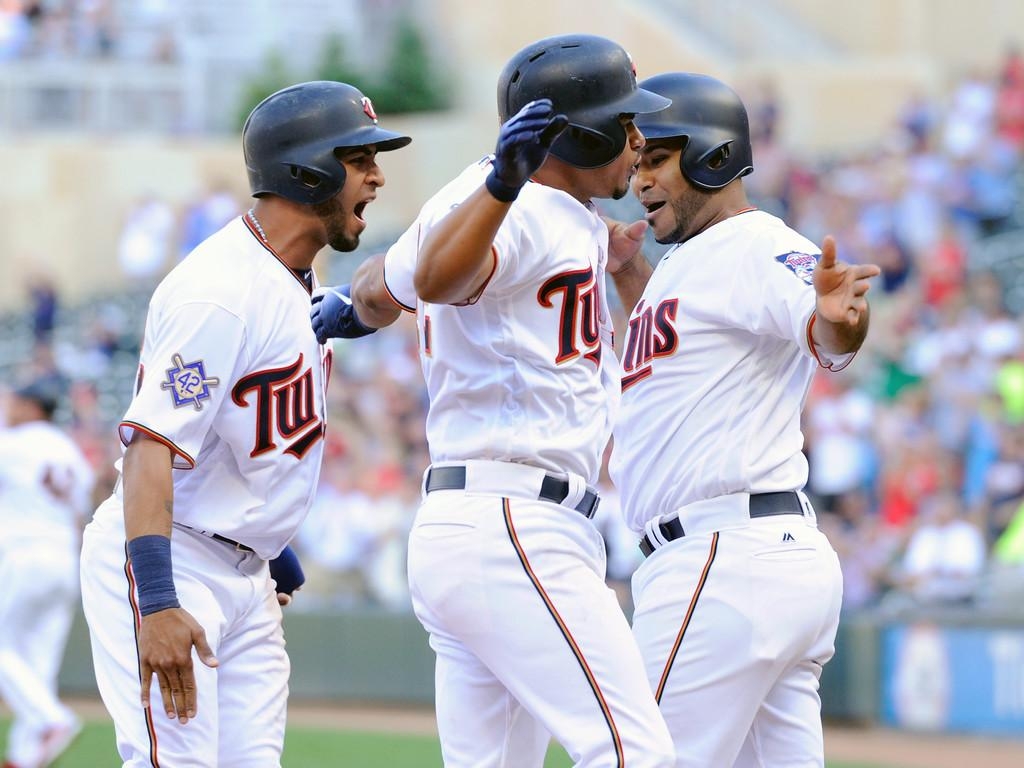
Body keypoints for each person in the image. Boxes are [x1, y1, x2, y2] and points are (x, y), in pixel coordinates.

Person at [311, 33, 676, 767]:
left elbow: (402, 274)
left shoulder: (524, 202)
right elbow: (441, 278)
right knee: (636, 752)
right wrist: (504, 191)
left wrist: (357, 306)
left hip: (487, 520)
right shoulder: (516, 202)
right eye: (625, 123)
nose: (638, 141)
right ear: (582, 131)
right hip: (514, 520)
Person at [78, 80, 410, 767]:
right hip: (171, 559)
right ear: (307, 167)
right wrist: (160, 600)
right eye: (361, 159)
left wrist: (266, 545)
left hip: (244, 576)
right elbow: (150, 450)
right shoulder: (220, 292)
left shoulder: (294, 280)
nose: (377, 176)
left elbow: (245, 435)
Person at [606, 72, 881, 768]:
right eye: (636, 160)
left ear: (713, 153)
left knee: (632, 757)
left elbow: (825, 329)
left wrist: (840, 320)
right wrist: (629, 276)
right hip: (758, 557)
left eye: (657, 157)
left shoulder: (755, 242)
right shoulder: (687, 261)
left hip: (722, 556)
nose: (640, 177)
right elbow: (690, 343)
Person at [0, 378, 94, 768]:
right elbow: (82, 504)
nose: (10, 407)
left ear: (32, 406)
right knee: (38, 662)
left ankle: (52, 719)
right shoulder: (69, 450)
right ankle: (24, 756)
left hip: (24, 555)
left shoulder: (13, 442)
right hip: (63, 558)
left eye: (16, 401)